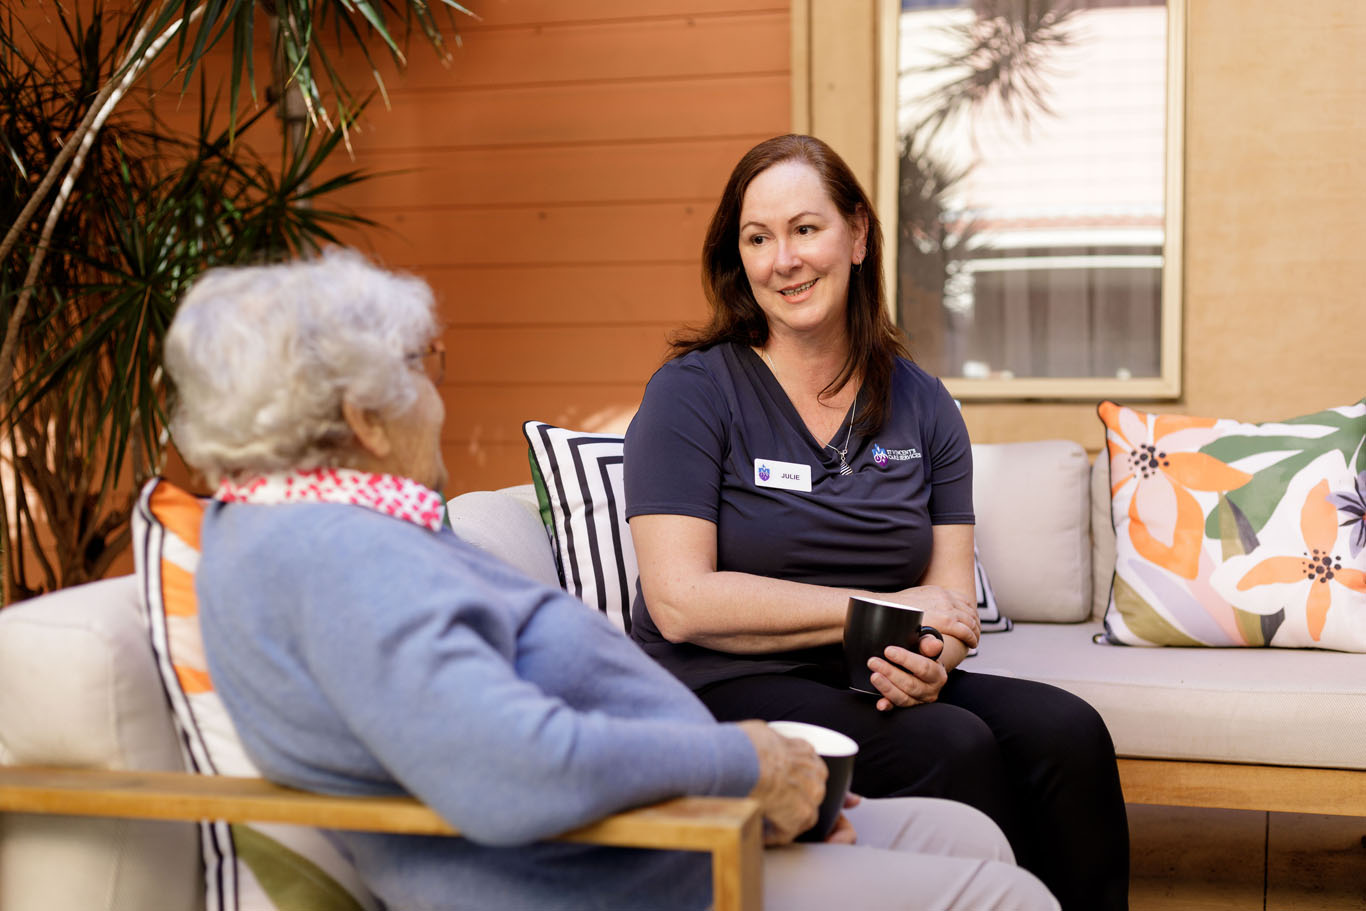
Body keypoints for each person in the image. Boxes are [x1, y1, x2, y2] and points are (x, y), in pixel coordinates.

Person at [162, 248, 1058, 911]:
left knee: (969, 833)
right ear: (364, 413)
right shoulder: (334, 555)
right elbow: (509, 767)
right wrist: (745, 761)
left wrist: (752, 788)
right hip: (612, 874)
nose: (437, 396)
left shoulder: (322, 527)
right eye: (424, 370)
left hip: (661, 830)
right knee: (1005, 896)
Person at [624, 134, 1130, 911]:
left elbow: (950, 601)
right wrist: (881, 613)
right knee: (951, 746)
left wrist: (935, 654)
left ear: (858, 234)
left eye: (804, 228)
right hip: (718, 684)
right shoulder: (692, 392)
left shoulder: (924, 403)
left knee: (1070, 732)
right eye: (758, 239)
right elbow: (681, 601)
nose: (783, 259)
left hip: (868, 674)